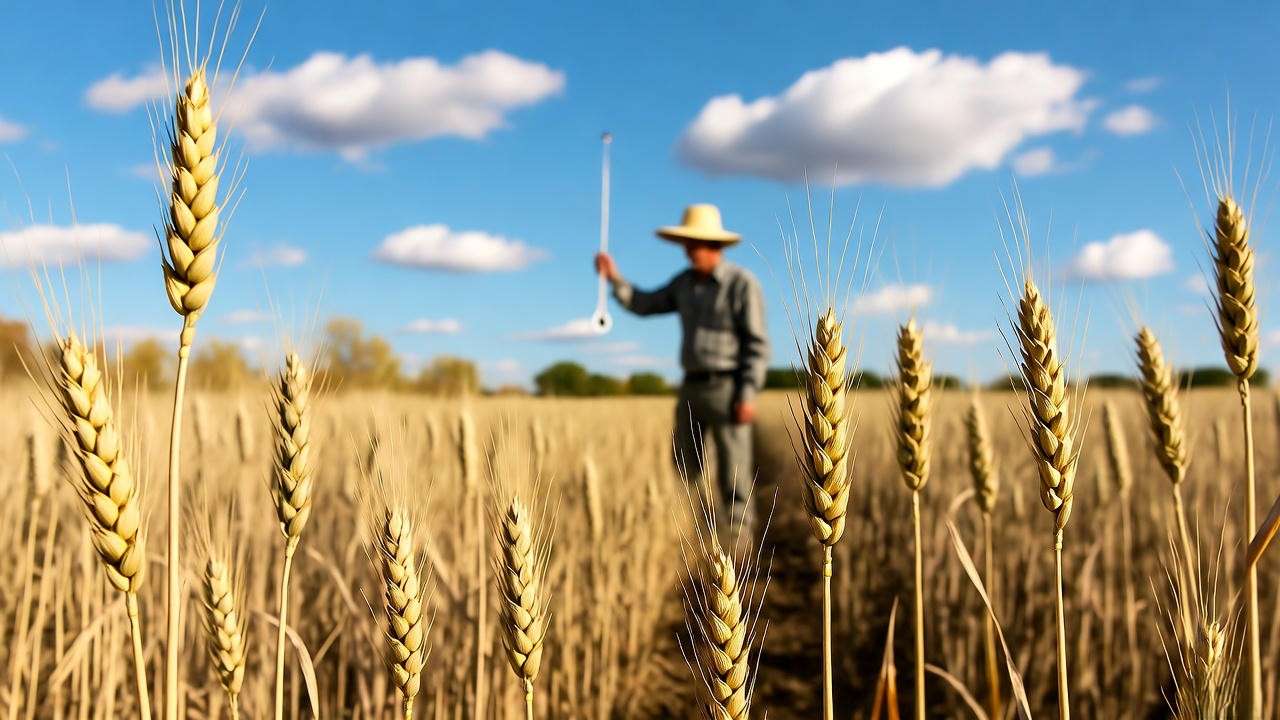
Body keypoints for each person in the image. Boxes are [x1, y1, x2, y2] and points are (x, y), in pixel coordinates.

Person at [594, 203, 770, 532]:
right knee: (686, 465)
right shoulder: (683, 284)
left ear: (714, 246)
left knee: (734, 470)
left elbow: (756, 344)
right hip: (690, 388)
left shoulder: (742, 284)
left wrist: (747, 393)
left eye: (694, 243)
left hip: (728, 387)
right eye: (686, 244)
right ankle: (700, 534)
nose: (688, 251)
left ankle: (739, 545)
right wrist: (614, 279)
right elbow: (645, 304)